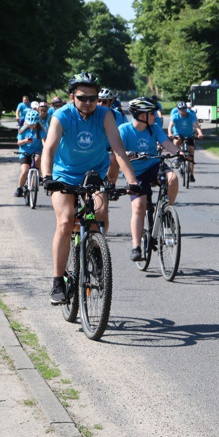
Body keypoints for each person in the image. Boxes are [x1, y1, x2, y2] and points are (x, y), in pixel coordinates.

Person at [41, 73, 140, 304]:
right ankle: (57, 281)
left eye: (93, 98)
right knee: (65, 221)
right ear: (72, 97)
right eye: (82, 97)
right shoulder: (62, 115)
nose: (88, 102)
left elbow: (118, 150)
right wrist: (47, 177)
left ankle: (95, 250)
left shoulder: (105, 115)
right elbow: (49, 149)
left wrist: (132, 182)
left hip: (94, 174)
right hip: (64, 175)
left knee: (99, 212)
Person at [117, 97, 181, 262]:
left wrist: (179, 153)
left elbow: (166, 143)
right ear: (141, 115)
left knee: (172, 178)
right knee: (139, 206)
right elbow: (118, 153)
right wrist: (128, 154)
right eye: (151, 113)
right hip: (135, 172)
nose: (155, 115)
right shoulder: (124, 130)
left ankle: (167, 214)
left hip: (153, 166)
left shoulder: (154, 128)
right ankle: (136, 246)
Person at [14, 109, 46, 198]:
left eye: (34, 123)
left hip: (36, 152)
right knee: (25, 170)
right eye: (30, 124)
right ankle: (19, 188)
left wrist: (46, 148)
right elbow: (18, 143)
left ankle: (33, 182)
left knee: (37, 160)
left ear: (37, 122)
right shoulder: (23, 130)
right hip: (24, 152)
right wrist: (25, 141)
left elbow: (44, 142)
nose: (32, 125)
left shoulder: (41, 130)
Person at [169, 101, 203, 181]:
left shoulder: (191, 115)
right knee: (176, 142)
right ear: (178, 110)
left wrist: (200, 133)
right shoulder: (175, 116)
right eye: (181, 109)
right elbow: (170, 126)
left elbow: (196, 125)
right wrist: (170, 133)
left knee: (191, 154)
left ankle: (191, 174)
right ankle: (178, 157)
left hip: (189, 135)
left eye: (184, 109)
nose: (183, 111)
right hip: (179, 134)